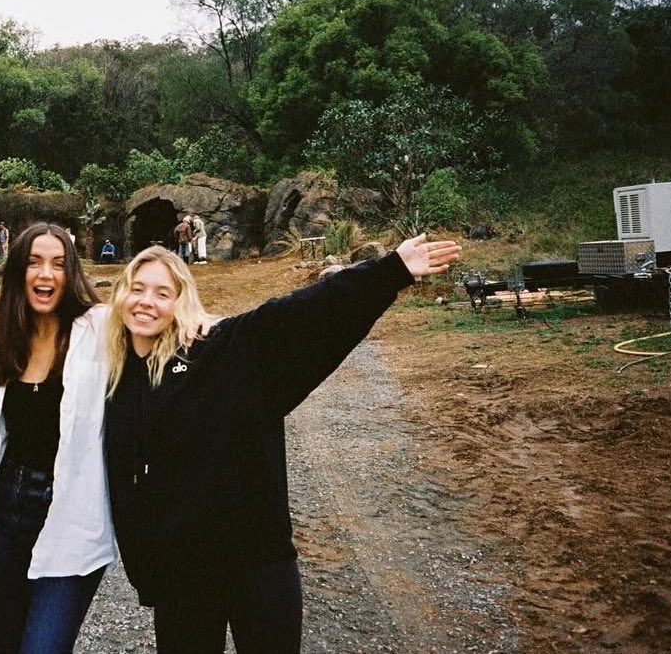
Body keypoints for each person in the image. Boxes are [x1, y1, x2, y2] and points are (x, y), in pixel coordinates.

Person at [103, 236, 461, 653]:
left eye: (163, 293)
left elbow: (301, 314)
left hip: (257, 563)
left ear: (182, 302)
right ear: (120, 295)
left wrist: (390, 271)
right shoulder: (110, 373)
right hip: (182, 578)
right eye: (137, 288)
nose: (147, 301)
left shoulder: (223, 352)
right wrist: (148, 573)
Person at [0, 223, 116, 654]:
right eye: (33, 263)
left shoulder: (100, 330)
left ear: (72, 274)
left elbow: (161, 318)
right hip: (5, 516)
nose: (45, 275)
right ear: (17, 272)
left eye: (57, 264)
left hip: (70, 514)